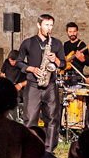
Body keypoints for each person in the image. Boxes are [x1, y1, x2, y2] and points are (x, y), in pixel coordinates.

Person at [17, 14, 66, 150]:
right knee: (30, 118)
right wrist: (31, 68)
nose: (49, 28)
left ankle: (49, 149)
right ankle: (29, 148)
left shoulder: (57, 43)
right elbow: (19, 62)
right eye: (46, 25)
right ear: (39, 25)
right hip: (33, 84)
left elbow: (63, 64)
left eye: (51, 25)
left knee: (52, 118)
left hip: (50, 84)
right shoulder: (28, 42)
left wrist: (55, 60)